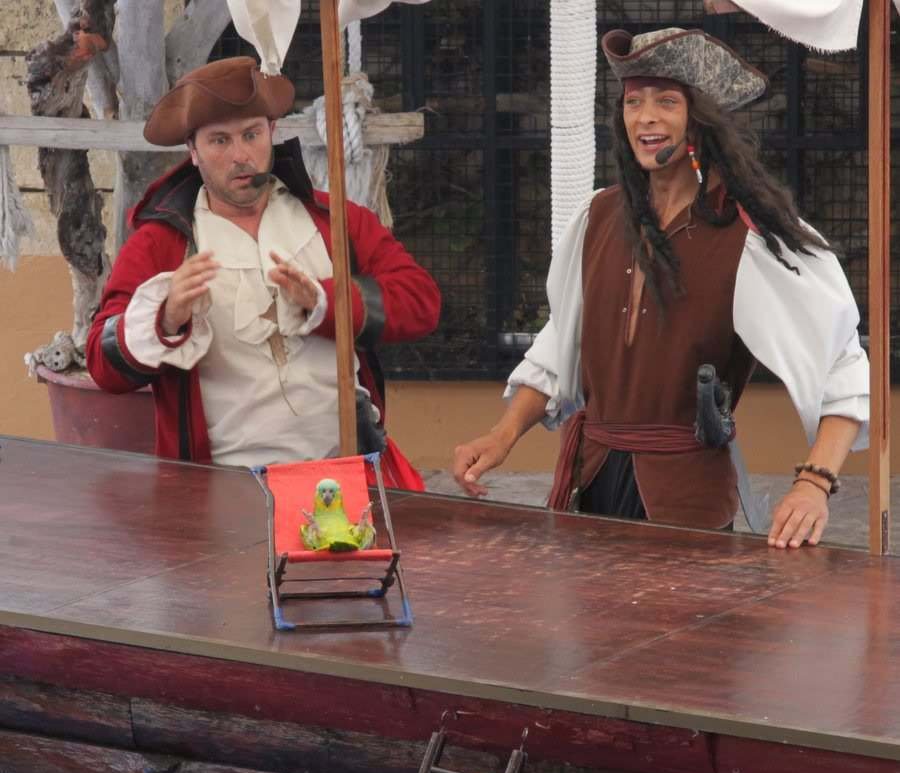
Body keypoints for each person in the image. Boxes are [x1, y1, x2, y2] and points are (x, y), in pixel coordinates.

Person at [453, 28, 869, 549]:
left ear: (700, 119)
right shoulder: (597, 216)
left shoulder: (749, 235)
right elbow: (562, 345)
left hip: (687, 499)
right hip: (592, 484)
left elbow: (841, 361)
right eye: (634, 102)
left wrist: (815, 482)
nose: (645, 117)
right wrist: (503, 434)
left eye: (666, 101)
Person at [87, 57, 440, 489]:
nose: (240, 156)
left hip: (343, 478)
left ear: (272, 132)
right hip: (222, 490)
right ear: (193, 151)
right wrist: (163, 318)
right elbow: (102, 365)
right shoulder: (161, 243)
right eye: (219, 140)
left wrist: (328, 302)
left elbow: (422, 301)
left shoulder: (336, 222)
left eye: (251, 134)